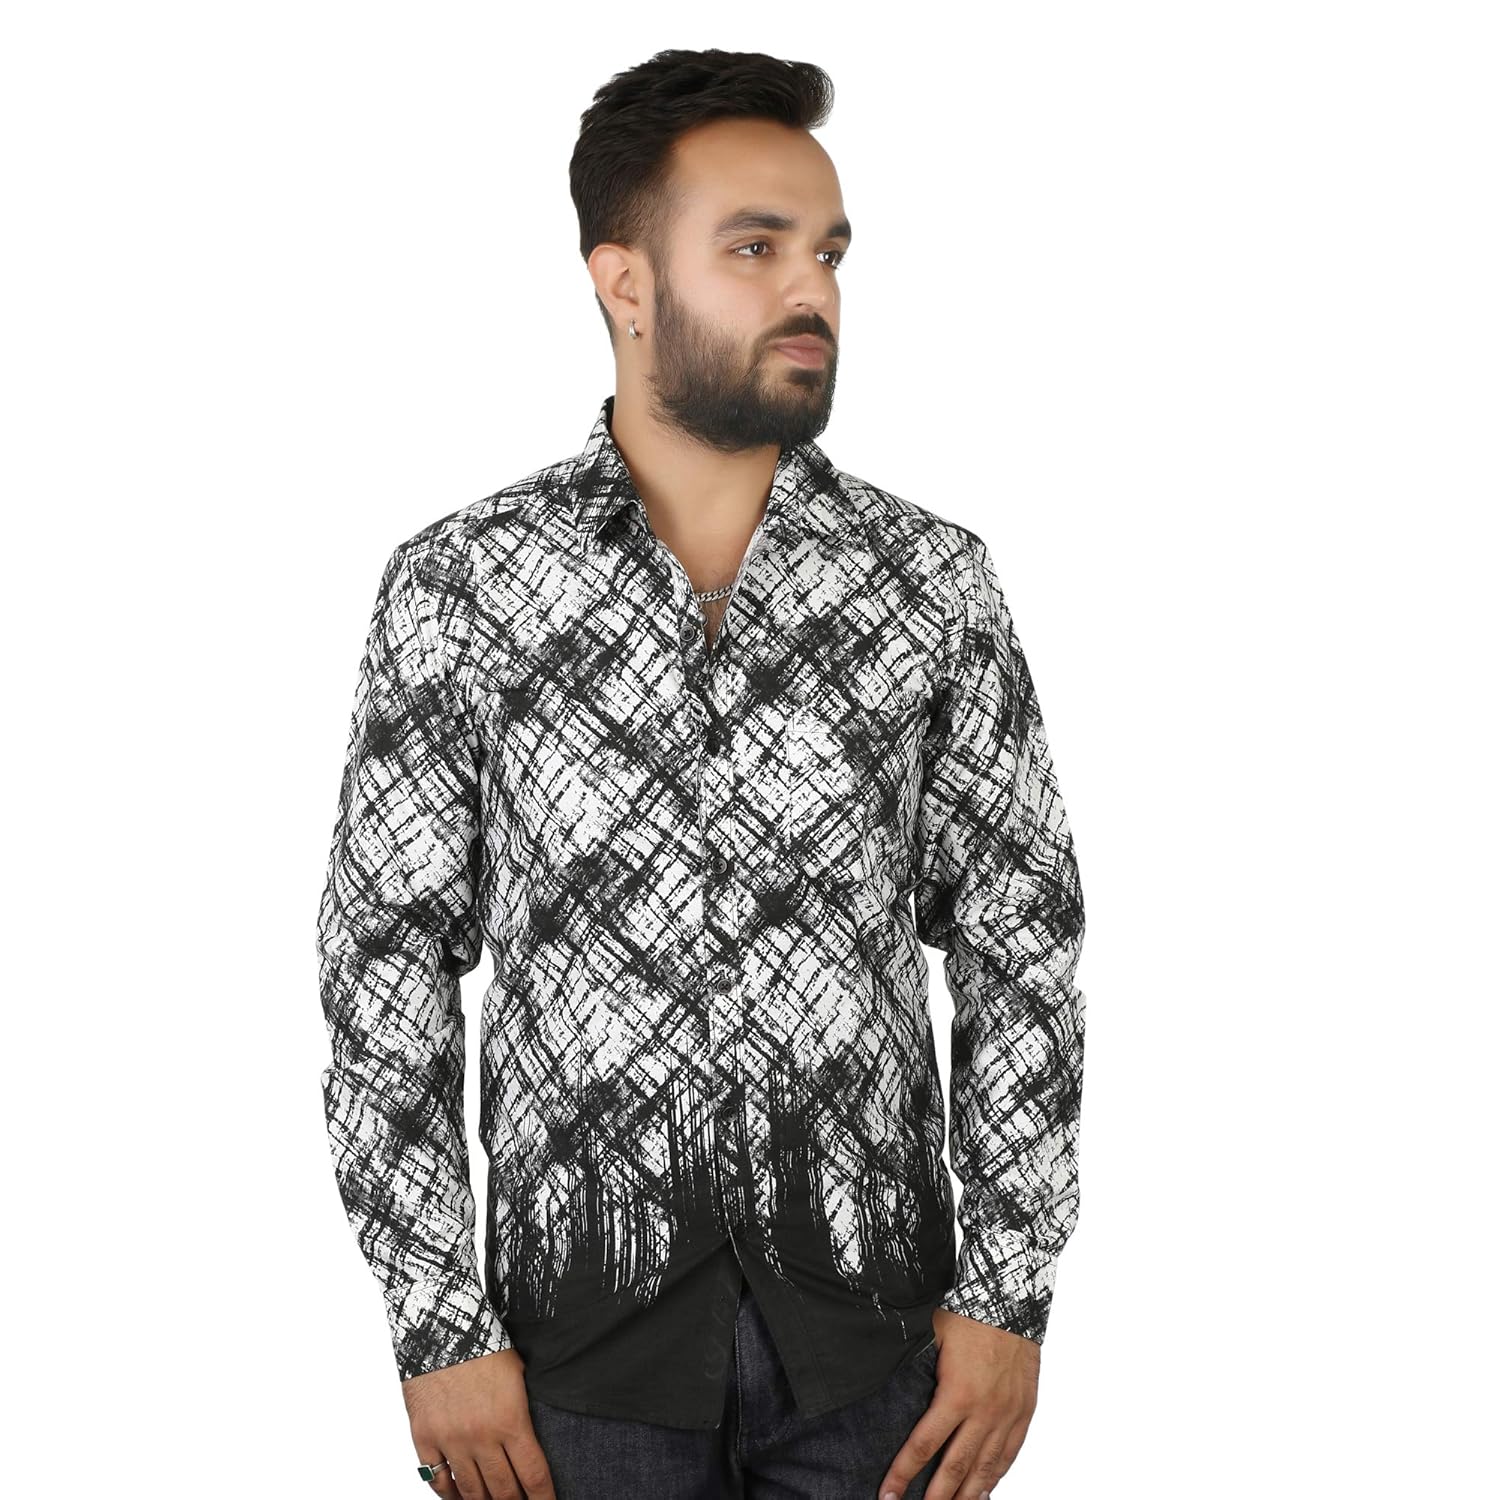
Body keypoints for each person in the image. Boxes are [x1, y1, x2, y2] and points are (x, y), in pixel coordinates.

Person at [315, 46, 1087, 1500]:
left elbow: (1020, 941)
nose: (812, 292)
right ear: (623, 282)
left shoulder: (931, 584)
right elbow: (384, 960)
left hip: (878, 1364)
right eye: (754, 247)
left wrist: (1009, 1293)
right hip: (569, 1370)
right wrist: (435, 1322)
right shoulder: (466, 587)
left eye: (829, 253)